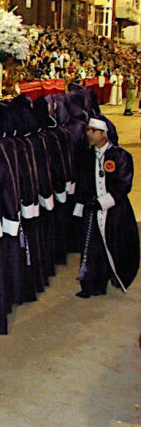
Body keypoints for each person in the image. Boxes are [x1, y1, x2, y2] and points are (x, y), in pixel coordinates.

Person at [72, 116, 139, 297]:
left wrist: (103, 203)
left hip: (115, 211)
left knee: (116, 246)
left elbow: (124, 185)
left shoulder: (121, 156)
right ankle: (91, 285)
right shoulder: (85, 157)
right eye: (88, 130)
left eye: (93, 131)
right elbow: (82, 183)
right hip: (92, 211)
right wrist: (81, 206)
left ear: (104, 134)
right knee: (92, 248)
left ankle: (118, 276)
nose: (89, 134)